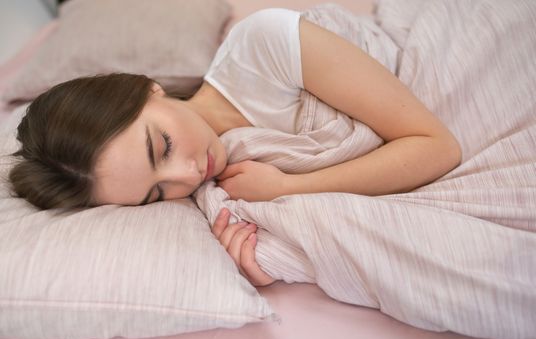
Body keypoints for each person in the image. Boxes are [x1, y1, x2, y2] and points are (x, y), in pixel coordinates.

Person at [8, 9, 461, 286]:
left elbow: (437, 147)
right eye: (156, 194)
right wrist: (264, 267)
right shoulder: (215, 191)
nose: (186, 176)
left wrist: (293, 186)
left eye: (161, 147)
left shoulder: (265, 48)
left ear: (150, 89)